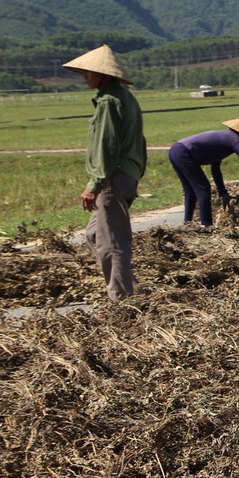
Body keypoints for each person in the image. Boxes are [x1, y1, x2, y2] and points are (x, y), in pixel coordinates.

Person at [63, 44, 146, 302]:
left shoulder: (109, 102)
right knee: (94, 234)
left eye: (88, 72)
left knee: (112, 242)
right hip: (124, 175)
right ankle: (130, 287)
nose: (84, 76)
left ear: (105, 74)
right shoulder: (125, 98)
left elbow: (106, 146)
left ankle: (122, 301)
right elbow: (139, 142)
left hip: (112, 177)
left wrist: (95, 184)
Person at [168, 117, 239, 227]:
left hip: (176, 150)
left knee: (190, 190)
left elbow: (215, 168)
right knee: (203, 188)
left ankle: (187, 223)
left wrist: (223, 193)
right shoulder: (234, 141)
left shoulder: (224, 138)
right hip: (184, 153)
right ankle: (206, 226)